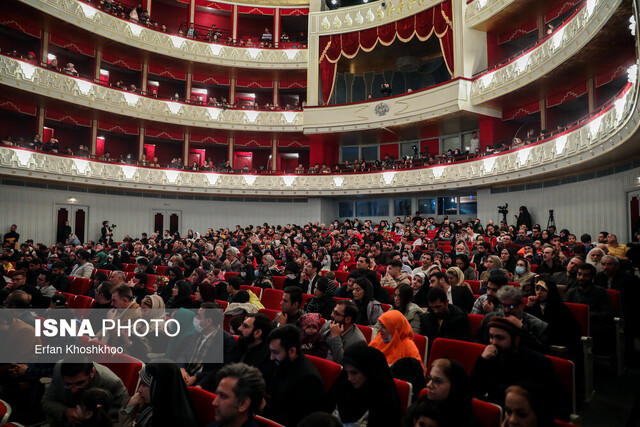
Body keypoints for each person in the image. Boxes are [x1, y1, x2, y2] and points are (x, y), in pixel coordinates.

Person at [470, 317, 568, 419]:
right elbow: (473, 390)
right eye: (491, 337)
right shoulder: (489, 358)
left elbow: (559, 405)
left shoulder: (539, 363)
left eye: (500, 338)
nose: (493, 342)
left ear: (516, 339)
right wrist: (481, 361)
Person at [263, 324, 325, 426]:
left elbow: (294, 420)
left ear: (292, 351)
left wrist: (263, 408)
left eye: (275, 352)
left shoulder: (309, 380)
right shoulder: (283, 362)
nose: (271, 357)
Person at [330, 344, 402, 426]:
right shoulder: (343, 387)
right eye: (346, 372)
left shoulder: (386, 406)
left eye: (354, 373)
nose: (349, 378)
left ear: (369, 372)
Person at [42, 360, 129, 427]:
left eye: (80, 383)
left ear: (92, 372)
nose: (74, 390)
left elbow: (121, 419)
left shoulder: (112, 383)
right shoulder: (59, 369)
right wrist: (65, 411)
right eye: (68, 384)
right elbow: (47, 401)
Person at [121, 361, 197, 426]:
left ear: (159, 388)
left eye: (144, 385)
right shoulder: (154, 404)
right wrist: (130, 405)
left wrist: (128, 406)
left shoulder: (174, 421)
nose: (139, 390)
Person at [525, 278, 582, 360]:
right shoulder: (534, 304)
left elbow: (560, 330)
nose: (539, 292)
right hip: (539, 340)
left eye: (543, 290)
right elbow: (527, 322)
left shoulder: (559, 307)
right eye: (537, 289)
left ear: (550, 291)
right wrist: (529, 306)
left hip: (557, 340)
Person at [407, 358, 473, 427]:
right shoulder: (421, 404)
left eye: (437, 381)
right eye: (430, 379)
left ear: (454, 386)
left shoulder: (465, 420)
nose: (428, 385)